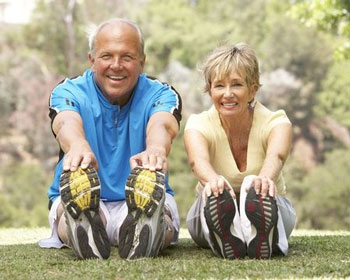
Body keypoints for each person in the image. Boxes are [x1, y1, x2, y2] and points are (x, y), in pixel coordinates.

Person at [38, 18, 182, 260]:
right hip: (87, 197)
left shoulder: (162, 94)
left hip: (143, 197)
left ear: (142, 62)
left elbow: (163, 124)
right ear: (92, 61)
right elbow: (65, 122)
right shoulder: (68, 90)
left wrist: (156, 148)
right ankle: (81, 222)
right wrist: (77, 146)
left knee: (161, 218)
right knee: (70, 212)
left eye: (127, 57)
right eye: (107, 56)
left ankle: (149, 226)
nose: (116, 65)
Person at [185, 43, 296, 259]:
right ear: (209, 89)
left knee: (252, 186)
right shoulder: (198, 124)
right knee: (216, 194)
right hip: (211, 202)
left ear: (253, 89)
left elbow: (277, 155)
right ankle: (226, 231)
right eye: (219, 86)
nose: (227, 94)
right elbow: (197, 161)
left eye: (236, 85)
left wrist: (262, 181)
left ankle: (261, 229)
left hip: (271, 202)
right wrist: (214, 181)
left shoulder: (277, 121)